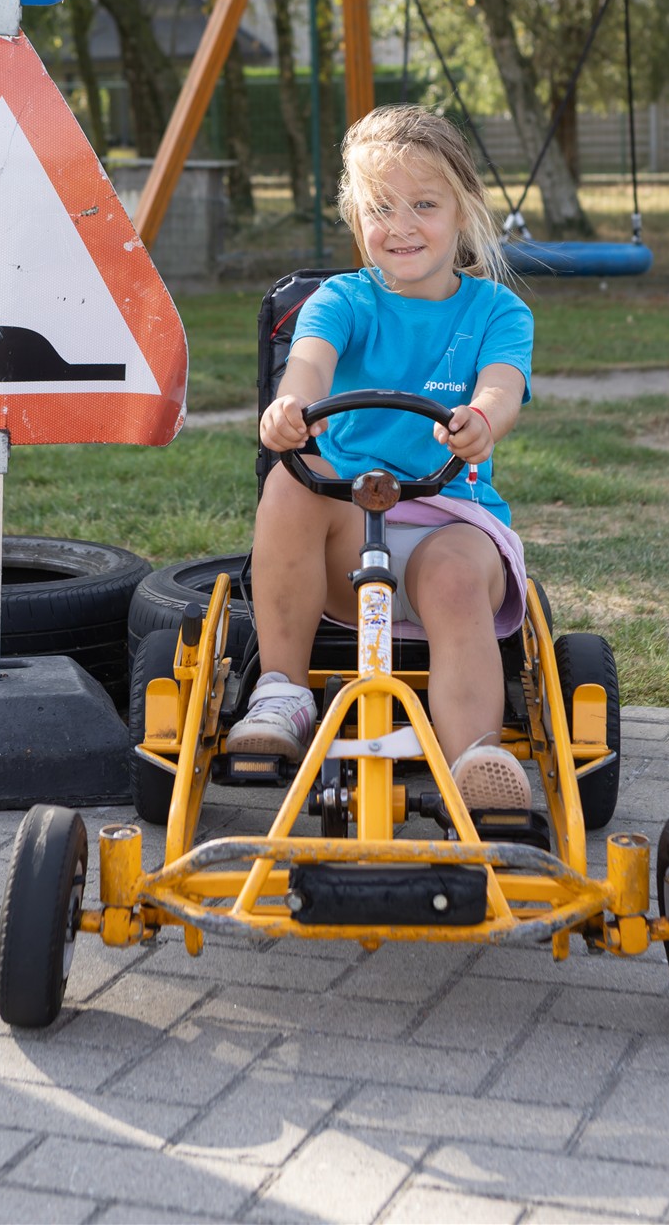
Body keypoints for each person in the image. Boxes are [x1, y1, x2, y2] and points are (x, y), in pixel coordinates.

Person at [226, 104, 535, 811]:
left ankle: (476, 759)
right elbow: (308, 362)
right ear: (354, 217)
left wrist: (481, 418)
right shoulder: (340, 300)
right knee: (291, 483)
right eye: (380, 208)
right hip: (343, 527)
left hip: (448, 518)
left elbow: (502, 383)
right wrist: (288, 405)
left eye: (423, 205)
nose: (400, 227)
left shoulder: (495, 312)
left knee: (456, 576)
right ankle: (279, 693)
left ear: (462, 210)